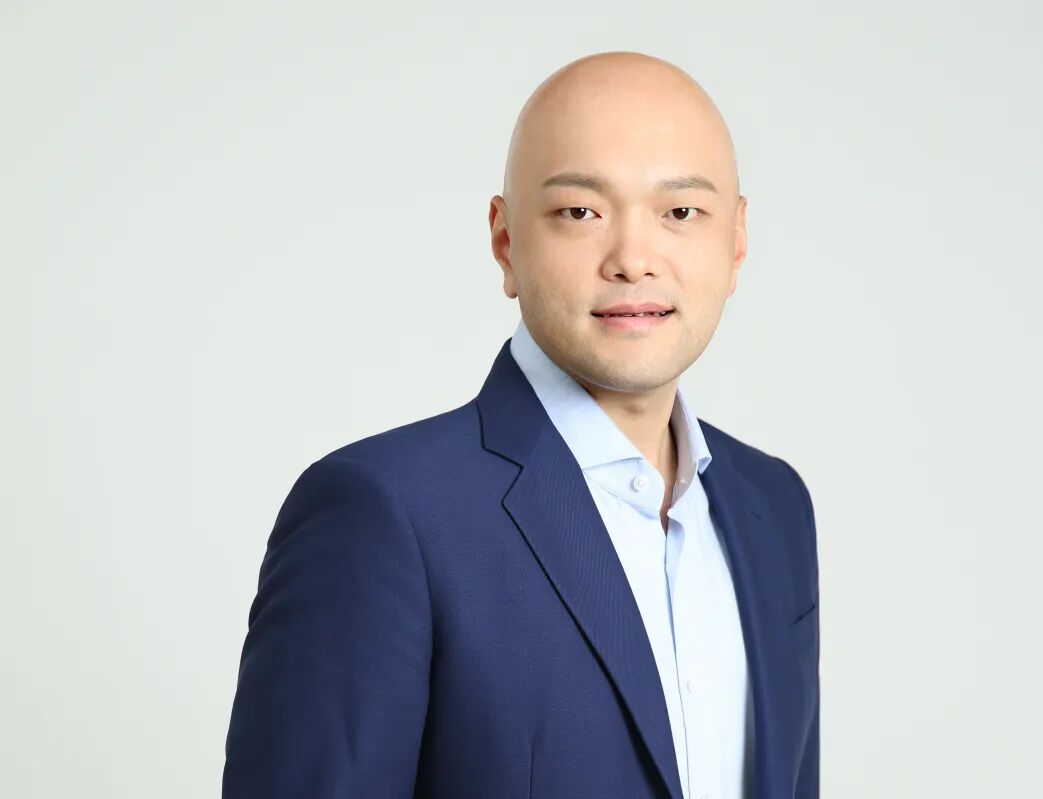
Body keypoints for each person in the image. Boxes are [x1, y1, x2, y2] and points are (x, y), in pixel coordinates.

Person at [222, 50, 820, 799]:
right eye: (580, 212)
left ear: (735, 242)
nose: (633, 260)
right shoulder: (382, 514)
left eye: (680, 213)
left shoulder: (775, 507)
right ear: (506, 242)